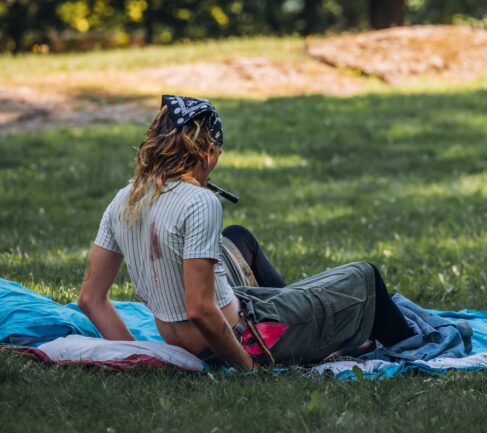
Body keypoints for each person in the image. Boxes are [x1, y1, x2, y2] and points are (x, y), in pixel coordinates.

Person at [78, 95, 414, 371]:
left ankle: (299, 312)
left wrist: (142, 354)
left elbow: (90, 300)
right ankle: (412, 346)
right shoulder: (200, 202)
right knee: (365, 277)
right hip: (245, 335)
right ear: (207, 153)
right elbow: (200, 310)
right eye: (217, 155)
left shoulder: (125, 198)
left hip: (182, 337)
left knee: (240, 238)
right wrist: (247, 367)